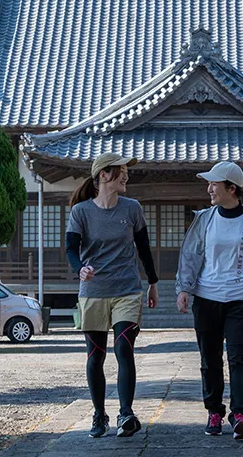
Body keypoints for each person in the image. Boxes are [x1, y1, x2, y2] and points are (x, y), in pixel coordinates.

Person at [175, 161, 243, 440]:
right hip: (207, 297)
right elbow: (189, 255)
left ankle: (240, 414)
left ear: (231, 188)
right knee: (210, 359)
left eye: (214, 184)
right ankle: (213, 411)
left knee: (239, 358)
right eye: (209, 184)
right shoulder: (204, 219)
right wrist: (183, 289)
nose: (209, 189)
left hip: (242, 298)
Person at [66, 153, 160, 438]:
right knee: (96, 355)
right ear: (103, 176)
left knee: (123, 348)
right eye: (120, 171)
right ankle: (98, 414)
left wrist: (153, 283)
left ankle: (126, 413)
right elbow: (71, 248)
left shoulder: (132, 209)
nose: (126, 176)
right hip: (93, 291)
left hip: (127, 290)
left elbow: (143, 249)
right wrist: (80, 269)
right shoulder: (81, 211)